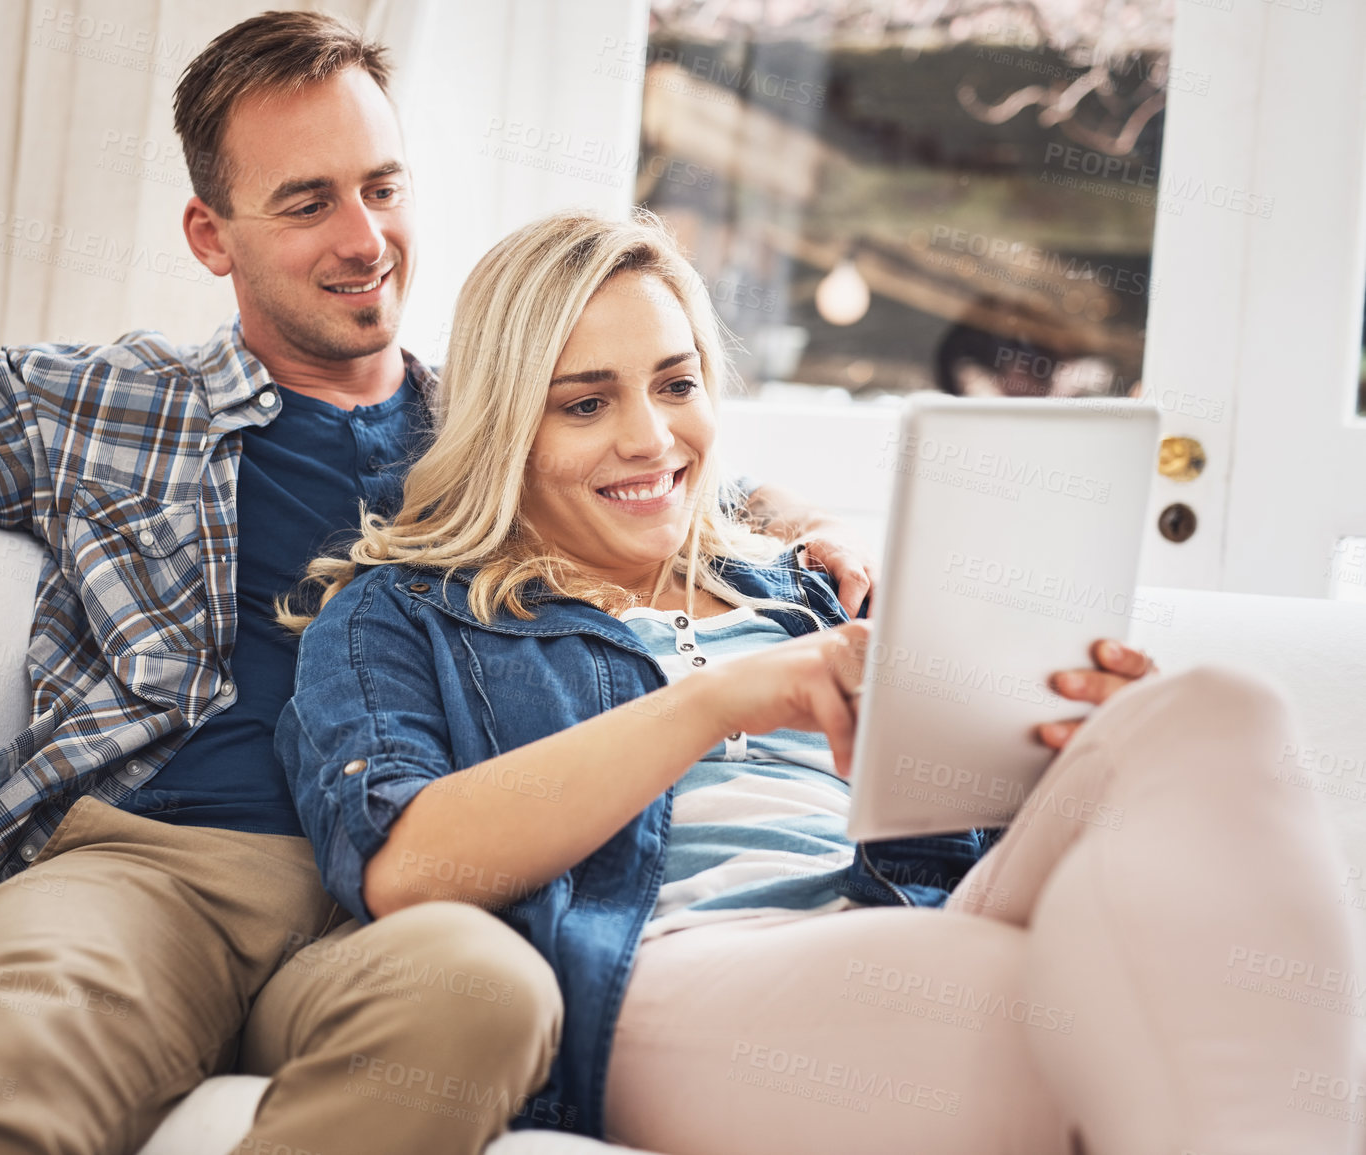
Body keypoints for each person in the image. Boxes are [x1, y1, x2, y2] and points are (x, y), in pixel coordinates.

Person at [0, 14, 871, 1154]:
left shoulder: (487, 428)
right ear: (209, 235)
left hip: (391, 892)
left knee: (487, 993)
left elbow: (657, 475)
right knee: (14, 1053)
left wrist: (805, 524)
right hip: (160, 864)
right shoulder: (105, 405)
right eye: (306, 202)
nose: (363, 239)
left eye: (382, 189)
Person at [277, 208, 1363, 1154]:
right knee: (1038, 1002)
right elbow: (406, 865)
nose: (650, 437)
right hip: (678, 964)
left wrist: (1067, 738)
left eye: (675, 384)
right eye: (584, 403)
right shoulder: (400, 613)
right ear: (507, 426)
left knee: (1215, 710)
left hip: (922, 902)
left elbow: (970, 824)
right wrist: (718, 700)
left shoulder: (804, 579)